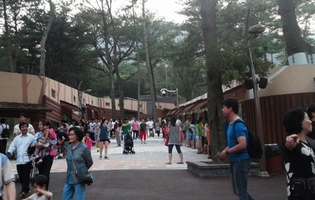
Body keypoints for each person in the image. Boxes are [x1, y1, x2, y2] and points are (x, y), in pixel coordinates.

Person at [219, 98, 254, 200]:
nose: (222, 110)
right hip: (235, 161)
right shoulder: (231, 124)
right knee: (238, 191)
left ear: (230, 109)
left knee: (241, 192)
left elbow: (242, 144)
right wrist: (225, 151)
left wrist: (227, 152)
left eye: (224, 108)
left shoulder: (238, 124)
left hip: (241, 161)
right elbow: (232, 143)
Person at [282, 107, 315, 200]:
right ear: (301, 123)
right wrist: (290, 141)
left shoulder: (307, 144)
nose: (310, 121)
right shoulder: (295, 144)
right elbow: (290, 145)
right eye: (307, 118)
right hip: (300, 194)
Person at [62, 127, 93, 200]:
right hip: (69, 177)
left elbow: (89, 162)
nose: (70, 136)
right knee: (65, 197)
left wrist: (81, 169)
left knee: (79, 198)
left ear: (78, 135)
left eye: (72, 134)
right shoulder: (68, 147)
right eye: (69, 135)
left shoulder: (84, 148)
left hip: (79, 178)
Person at [7, 122, 35, 198]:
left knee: (26, 175)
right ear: (20, 129)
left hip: (28, 160)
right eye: (22, 127)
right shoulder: (17, 138)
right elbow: (12, 146)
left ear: (27, 128)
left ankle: (23, 190)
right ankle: (26, 189)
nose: (24, 128)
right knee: (21, 176)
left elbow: (35, 145)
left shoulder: (31, 137)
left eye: (25, 127)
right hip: (19, 160)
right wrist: (10, 152)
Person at [33, 120, 57, 190]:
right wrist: (38, 145)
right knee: (40, 173)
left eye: (40, 125)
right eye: (39, 125)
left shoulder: (51, 133)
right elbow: (34, 142)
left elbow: (54, 142)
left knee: (46, 173)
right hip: (39, 156)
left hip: (48, 156)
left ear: (45, 126)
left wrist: (44, 145)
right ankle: (40, 189)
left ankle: (45, 189)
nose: (39, 126)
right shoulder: (38, 134)